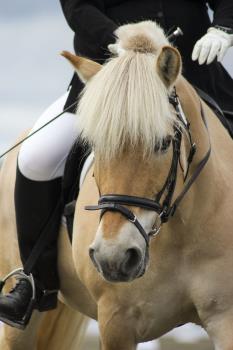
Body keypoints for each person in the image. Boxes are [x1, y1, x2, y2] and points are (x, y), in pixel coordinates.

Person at [0, 0, 232, 329]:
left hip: (189, 71)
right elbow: (77, 5)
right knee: (38, 157)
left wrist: (224, 26)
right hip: (110, 76)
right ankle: (33, 279)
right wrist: (113, 39)